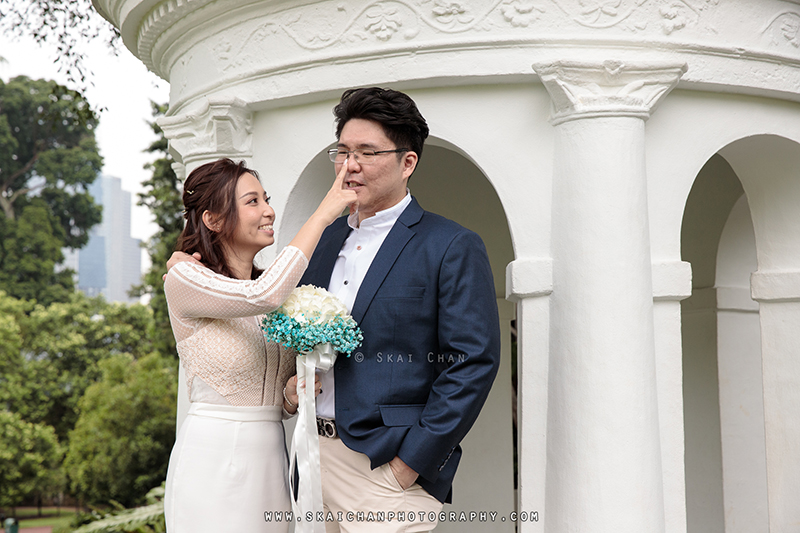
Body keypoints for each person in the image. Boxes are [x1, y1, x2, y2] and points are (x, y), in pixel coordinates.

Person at [300, 87, 501, 532]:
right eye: (343, 151)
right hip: (311, 459)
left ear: (407, 162)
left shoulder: (450, 245)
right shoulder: (324, 239)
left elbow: (472, 363)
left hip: (385, 469)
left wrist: (411, 464)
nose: (349, 165)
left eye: (367, 152)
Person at [162, 157, 356, 532]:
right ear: (212, 219)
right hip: (213, 458)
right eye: (252, 202)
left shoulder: (276, 293)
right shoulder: (185, 277)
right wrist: (321, 215)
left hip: (271, 457)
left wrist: (289, 396)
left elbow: (275, 401)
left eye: (266, 199)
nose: (268, 211)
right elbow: (260, 295)